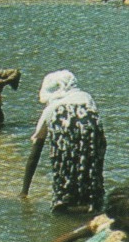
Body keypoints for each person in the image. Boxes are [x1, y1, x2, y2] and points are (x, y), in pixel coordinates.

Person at [20, 70, 107, 214]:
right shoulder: (86, 98)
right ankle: (92, 203)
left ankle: (63, 204)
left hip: (64, 136)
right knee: (91, 167)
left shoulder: (52, 109)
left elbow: (35, 152)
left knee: (64, 169)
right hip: (92, 134)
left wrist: (24, 192)